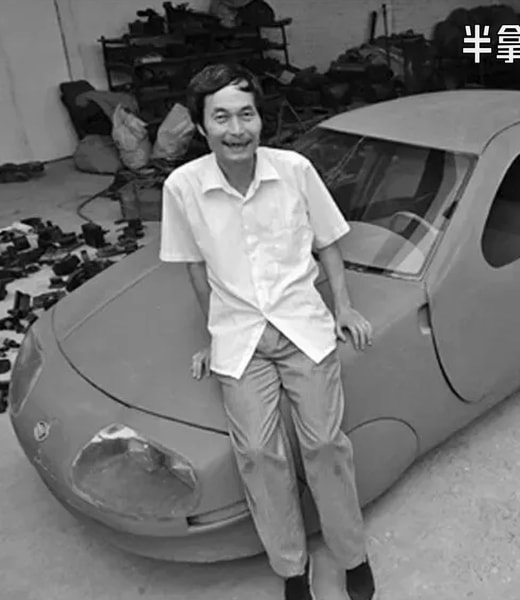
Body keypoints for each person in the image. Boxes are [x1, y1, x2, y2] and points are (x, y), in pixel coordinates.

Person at [159, 62, 376, 600]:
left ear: (261, 119)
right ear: (201, 126)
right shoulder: (183, 187)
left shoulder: (294, 170)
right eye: (222, 117)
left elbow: (328, 242)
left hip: (302, 325)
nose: (237, 130)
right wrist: (213, 336)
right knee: (257, 453)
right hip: (240, 337)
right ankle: (291, 568)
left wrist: (344, 306)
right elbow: (194, 267)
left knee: (324, 444)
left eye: (246, 115)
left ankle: (352, 555)